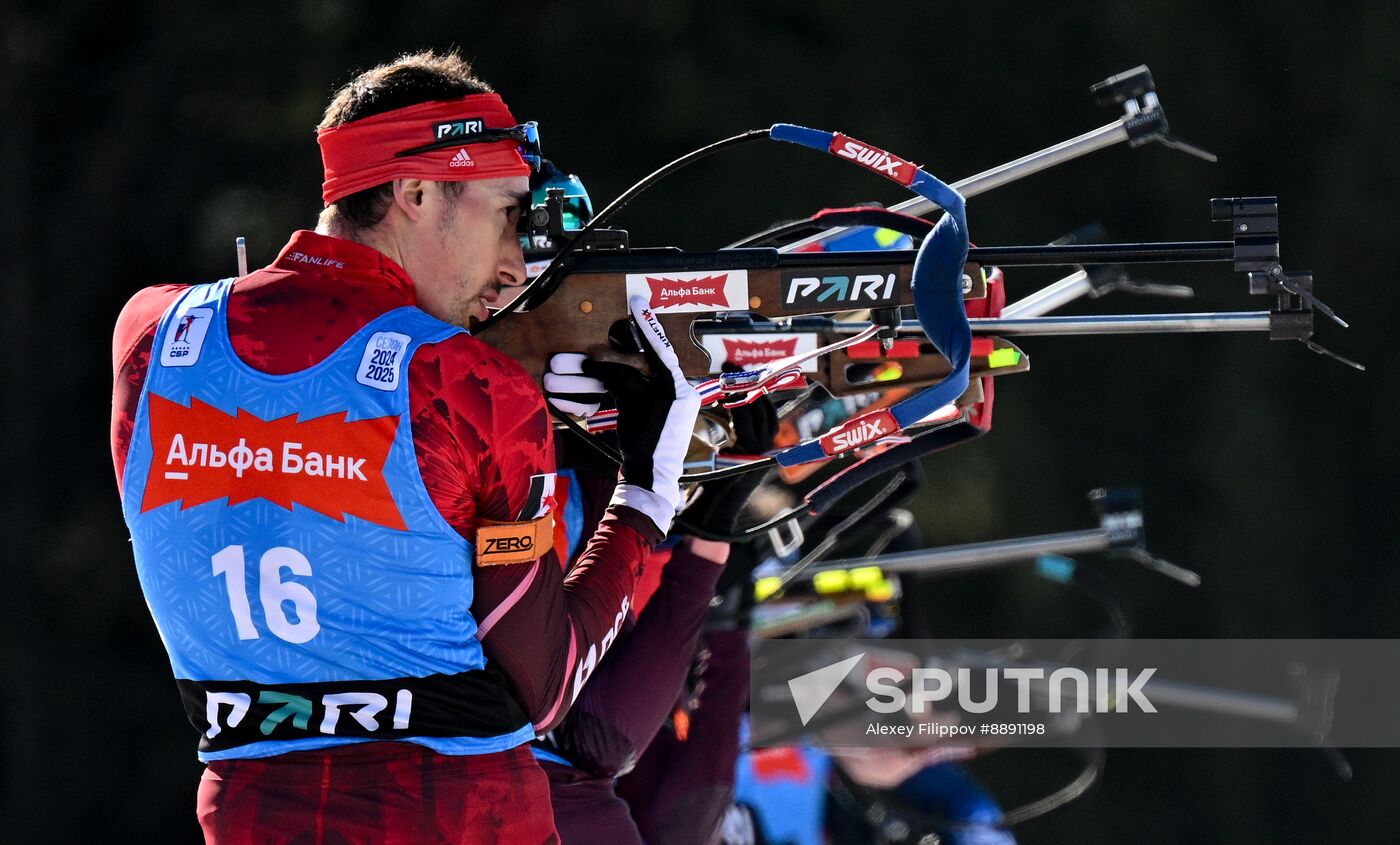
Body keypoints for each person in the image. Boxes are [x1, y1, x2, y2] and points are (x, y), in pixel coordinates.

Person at [110, 50, 700, 844]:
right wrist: (646, 493)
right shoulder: (466, 384)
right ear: (416, 192)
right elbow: (549, 685)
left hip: (248, 809)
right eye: (505, 214)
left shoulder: (152, 337)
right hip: (454, 815)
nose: (515, 264)